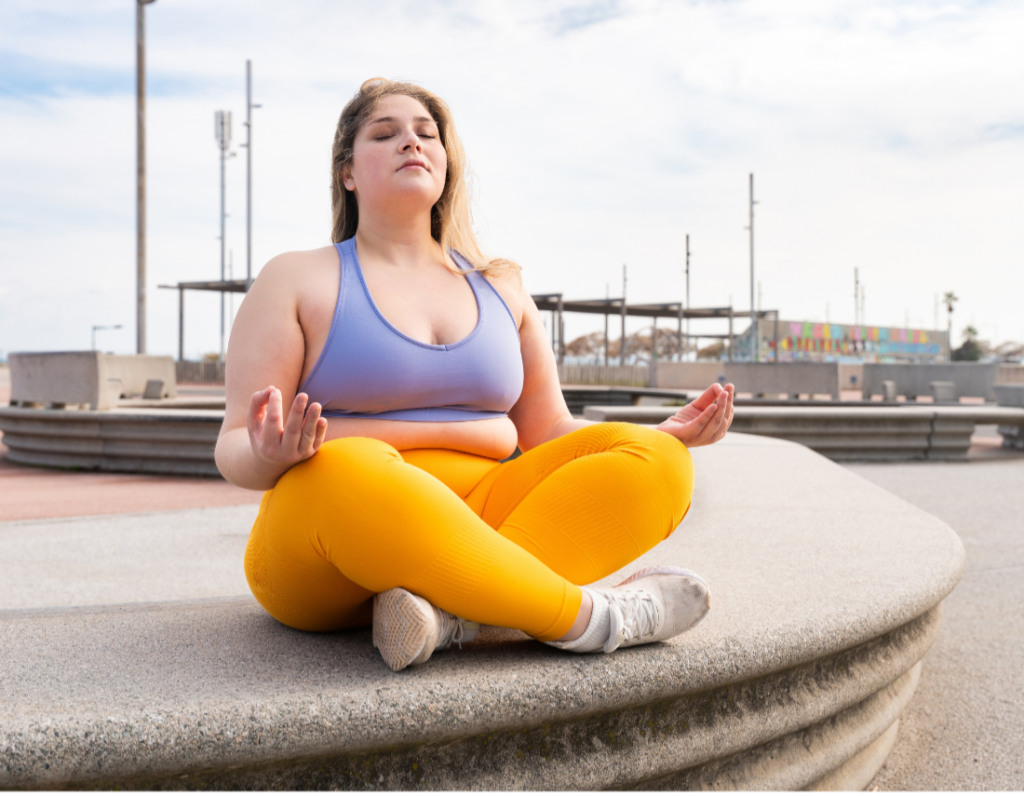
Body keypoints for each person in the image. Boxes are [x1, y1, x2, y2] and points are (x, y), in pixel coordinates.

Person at [215, 78, 735, 672]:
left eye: (426, 134)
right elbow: (234, 446)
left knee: (658, 459)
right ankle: (593, 619)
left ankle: (451, 614)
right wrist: (270, 454)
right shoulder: (294, 278)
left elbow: (548, 429)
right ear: (348, 172)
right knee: (347, 463)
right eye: (384, 134)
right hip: (327, 541)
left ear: (445, 163)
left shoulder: (500, 284)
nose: (410, 142)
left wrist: (659, 434)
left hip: (482, 511)